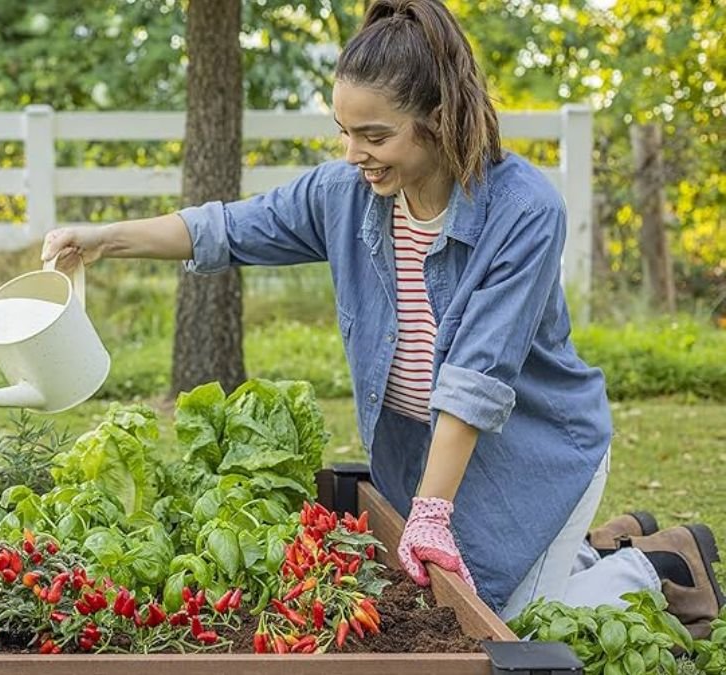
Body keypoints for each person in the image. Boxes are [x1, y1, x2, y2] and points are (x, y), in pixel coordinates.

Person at [39, 0, 724, 630]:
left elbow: (474, 376)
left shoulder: (522, 211)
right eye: (343, 132)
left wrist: (431, 511)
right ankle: (604, 547)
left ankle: (657, 567)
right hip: (423, 453)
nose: (352, 154)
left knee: (507, 625)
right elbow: (229, 227)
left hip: (529, 454)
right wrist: (104, 239)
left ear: (439, 116)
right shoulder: (349, 193)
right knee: (459, 600)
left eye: (374, 134)